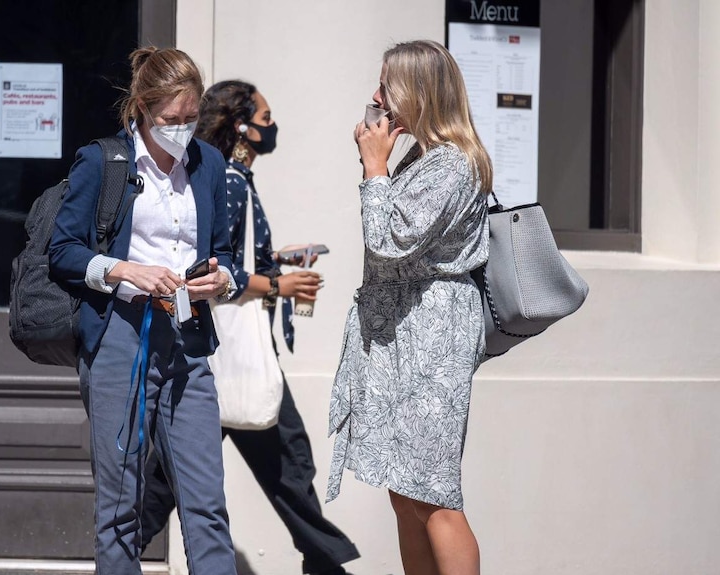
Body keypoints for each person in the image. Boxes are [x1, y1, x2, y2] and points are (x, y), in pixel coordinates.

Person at [140, 80, 361, 575]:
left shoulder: (232, 179)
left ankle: (120, 549)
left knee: (170, 474)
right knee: (290, 462)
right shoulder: (235, 181)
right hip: (233, 352)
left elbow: (240, 257)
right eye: (265, 119)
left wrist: (279, 261)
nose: (272, 127)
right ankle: (327, 566)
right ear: (241, 126)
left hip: (215, 355)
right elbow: (216, 271)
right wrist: (278, 286)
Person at [48, 47, 238, 575]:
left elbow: (223, 253)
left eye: (191, 119)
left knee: (206, 506)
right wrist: (127, 271)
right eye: (169, 121)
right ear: (141, 110)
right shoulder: (103, 162)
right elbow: (63, 253)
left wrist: (218, 280)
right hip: (120, 341)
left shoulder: (209, 163)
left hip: (188, 341)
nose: (181, 131)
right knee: (119, 510)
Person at [326, 40, 492, 575]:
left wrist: (374, 168)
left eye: (386, 87)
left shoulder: (453, 164)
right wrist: (379, 166)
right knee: (405, 489)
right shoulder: (424, 158)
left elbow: (390, 240)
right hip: (403, 331)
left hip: (434, 335)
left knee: (433, 491)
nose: (376, 98)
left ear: (418, 93)